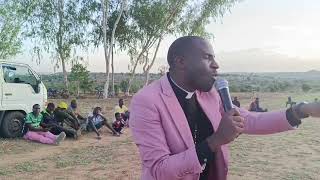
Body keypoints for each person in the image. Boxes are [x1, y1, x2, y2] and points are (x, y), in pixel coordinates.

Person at [129, 36, 320, 180]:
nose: (216, 65)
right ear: (181, 62)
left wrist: (303, 110)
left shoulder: (209, 93)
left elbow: (250, 120)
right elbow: (160, 169)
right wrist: (216, 140)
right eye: (207, 57)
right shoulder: (147, 101)